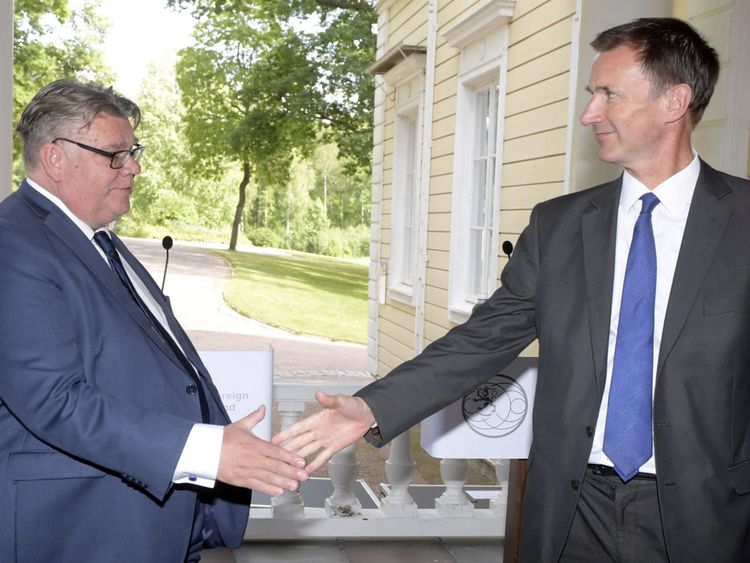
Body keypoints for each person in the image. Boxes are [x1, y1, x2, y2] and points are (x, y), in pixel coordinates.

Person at [274, 17, 750, 562]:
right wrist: (370, 407)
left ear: (675, 101)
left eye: (608, 95)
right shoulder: (559, 226)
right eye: (591, 94)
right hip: (572, 511)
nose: (589, 113)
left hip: (708, 517)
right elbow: (481, 340)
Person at [0, 79, 309, 563]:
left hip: (145, 513)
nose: (135, 167)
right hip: (81, 527)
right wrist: (207, 451)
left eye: (134, 152)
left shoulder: (98, 240)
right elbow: (55, 400)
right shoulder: (12, 243)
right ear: (56, 158)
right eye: (116, 155)